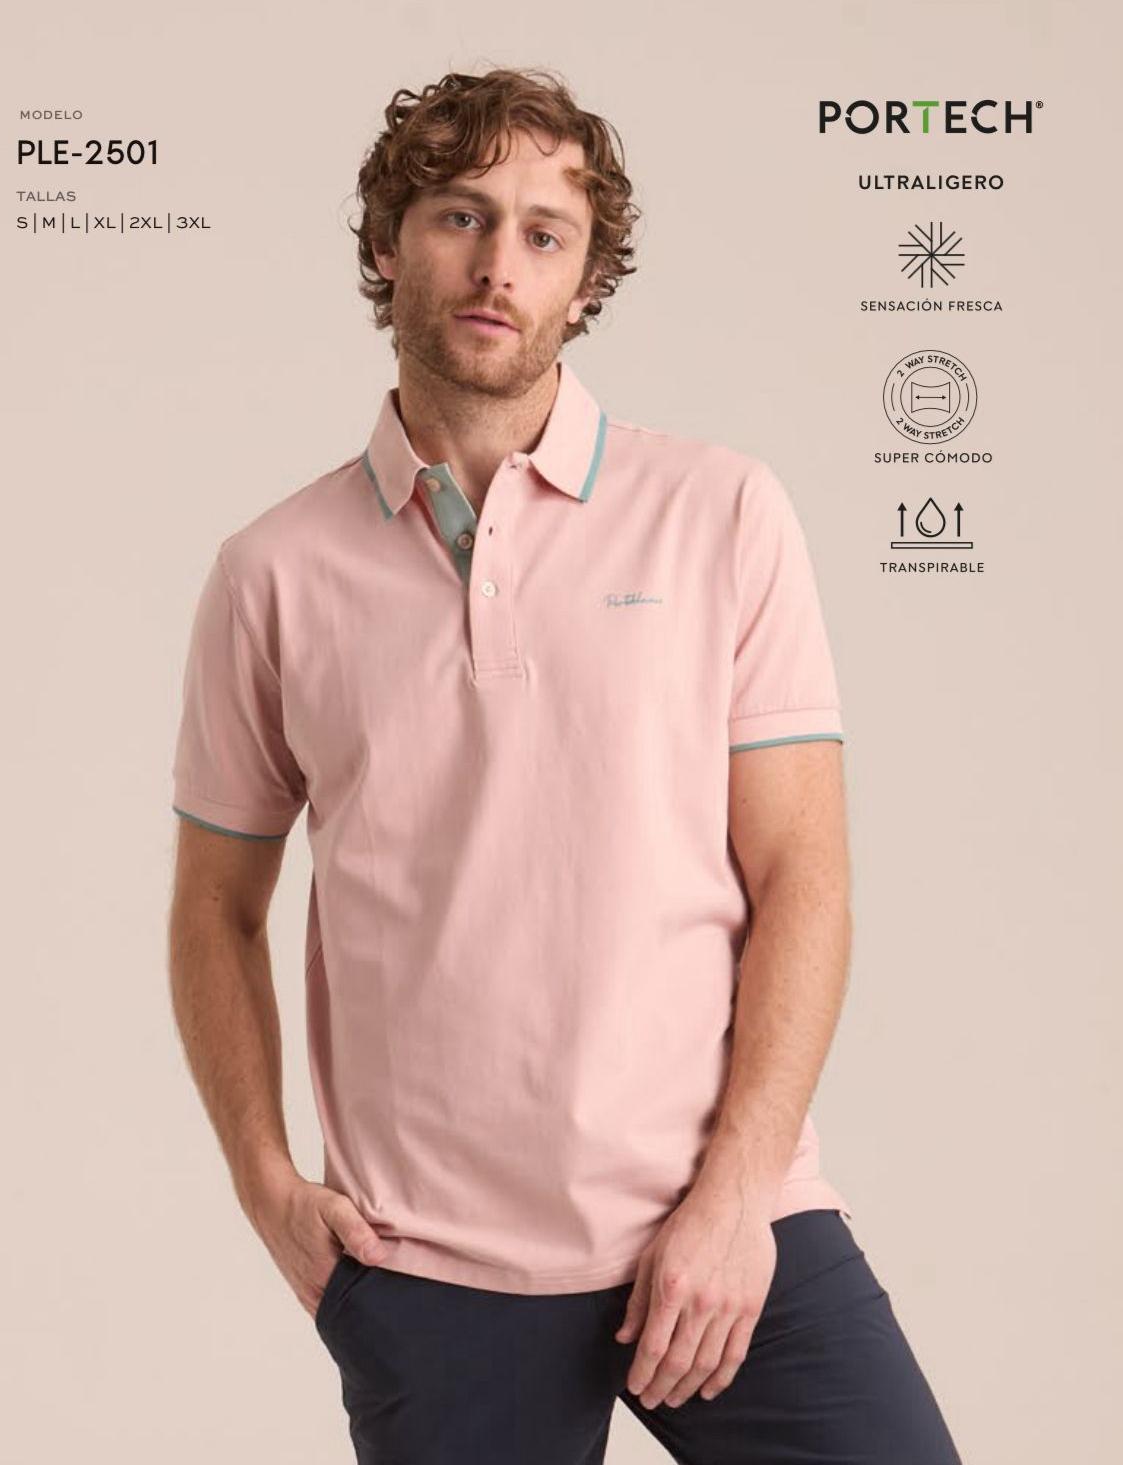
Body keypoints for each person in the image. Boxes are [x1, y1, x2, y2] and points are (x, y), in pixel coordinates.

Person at [167, 66, 963, 1465]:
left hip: (731, 1223)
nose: (499, 265)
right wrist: (264, 1183)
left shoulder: (720, 513)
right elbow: (214, 908)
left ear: (588, 281)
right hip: (431, 1270)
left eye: (545, 233)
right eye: (459, 216)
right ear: (386, 243)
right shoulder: (272, 573)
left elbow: (805, 877)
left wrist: (736, 1198)